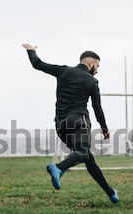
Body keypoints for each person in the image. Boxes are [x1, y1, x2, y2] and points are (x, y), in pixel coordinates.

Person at [22, 43, 119, 203]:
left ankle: (111, 193)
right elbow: (97, 107)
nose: (97, 69)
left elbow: (37, 64)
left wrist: (31, 50)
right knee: (82, 153)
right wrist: (104, 128)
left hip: (61, 126)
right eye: (97, 65)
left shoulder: (64, 71)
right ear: (90, 63)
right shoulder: (92, 81)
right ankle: (58, 168)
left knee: (87, 157)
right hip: (79, 122)